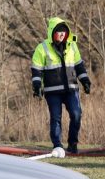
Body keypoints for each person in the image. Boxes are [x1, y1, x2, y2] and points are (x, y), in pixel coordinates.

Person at [31, 17, 92, 154]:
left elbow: (79, 66)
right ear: (52, 33)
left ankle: (73, 144)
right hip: (52, 91)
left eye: (64, 32)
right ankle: (57, 145)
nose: (62, 34)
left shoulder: (72, 46)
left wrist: (85, 81)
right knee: (56, 117)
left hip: (71, 89)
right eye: (59, 32)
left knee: (76, 114)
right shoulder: (42, 48)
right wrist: (36, 86)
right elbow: (36, 70)